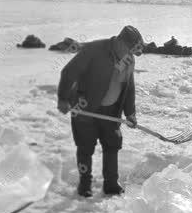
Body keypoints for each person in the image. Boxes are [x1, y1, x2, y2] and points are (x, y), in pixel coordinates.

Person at [57, 25, 143, 198]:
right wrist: (63, 98)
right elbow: (69, 72)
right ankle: (85, 184)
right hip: (85, 109)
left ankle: (111, 184)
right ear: (119, 42)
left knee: (112, 145)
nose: (131, 54)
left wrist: (130, 113)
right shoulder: (94, 50)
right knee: (85, 147)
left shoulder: (129, 60)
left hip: (112, 112)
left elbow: (129, 87)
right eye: (129, 49)